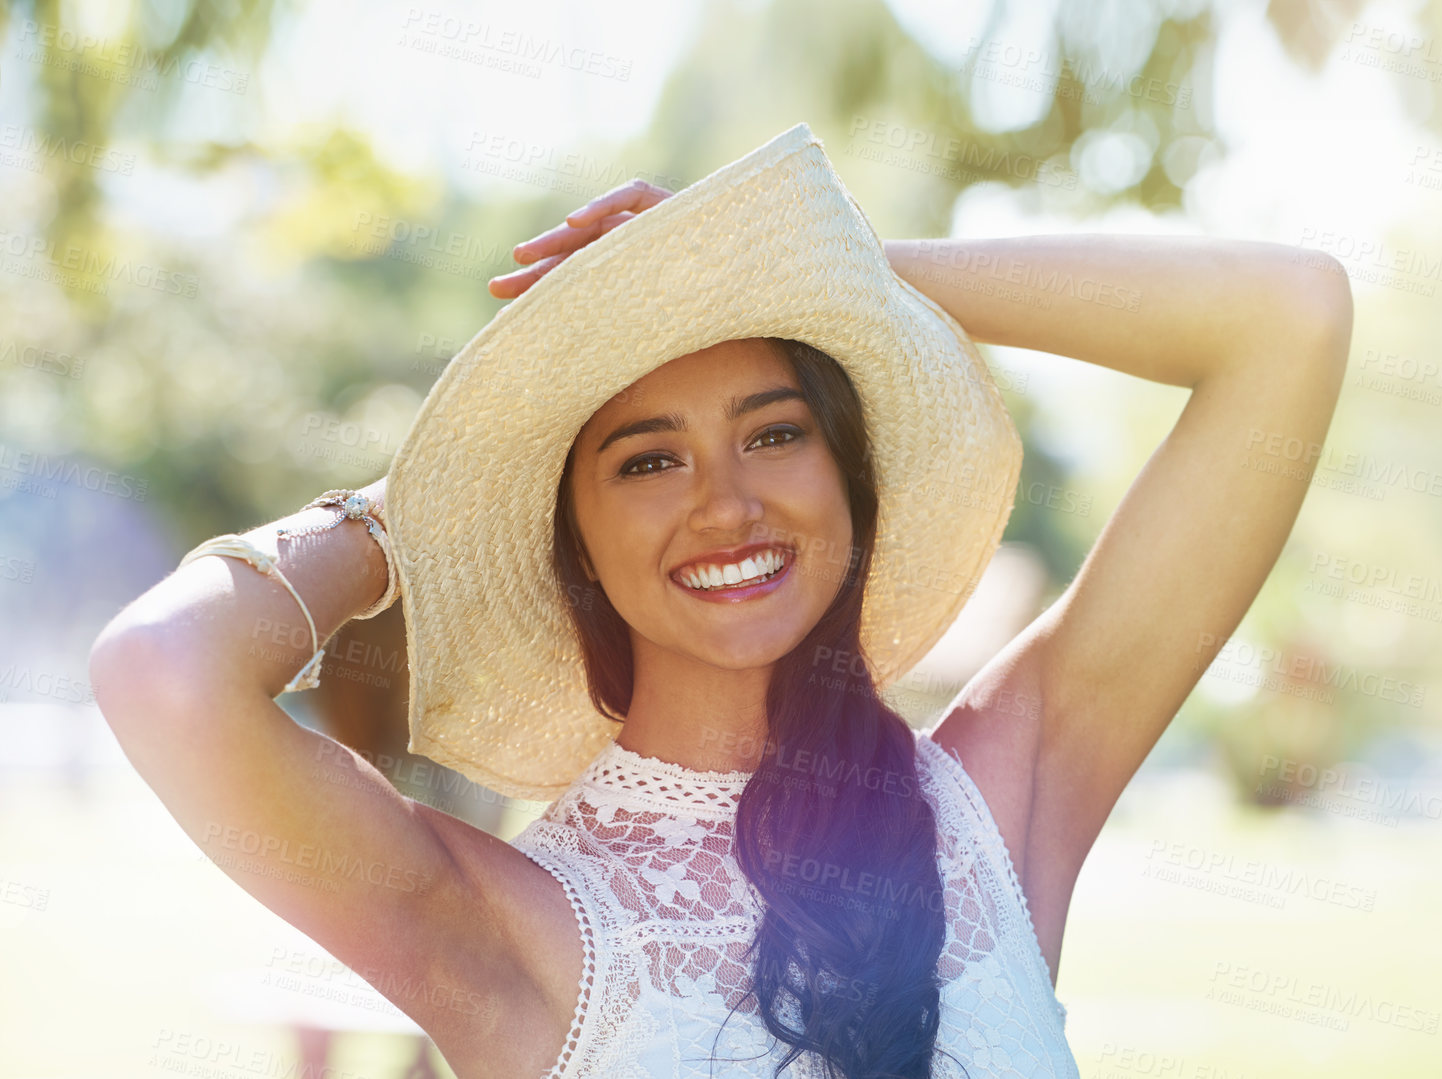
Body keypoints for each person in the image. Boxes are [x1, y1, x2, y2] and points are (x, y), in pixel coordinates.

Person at [89, 123, 1352, 1078]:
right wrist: (407, 505)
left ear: (848, 479)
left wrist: (810, 269)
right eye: (646, 460)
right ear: (573, 536)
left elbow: (1285, 315)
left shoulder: (1000, 794)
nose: (726, 502)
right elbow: (165, 671)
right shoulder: (516, 930)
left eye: (776, 433)